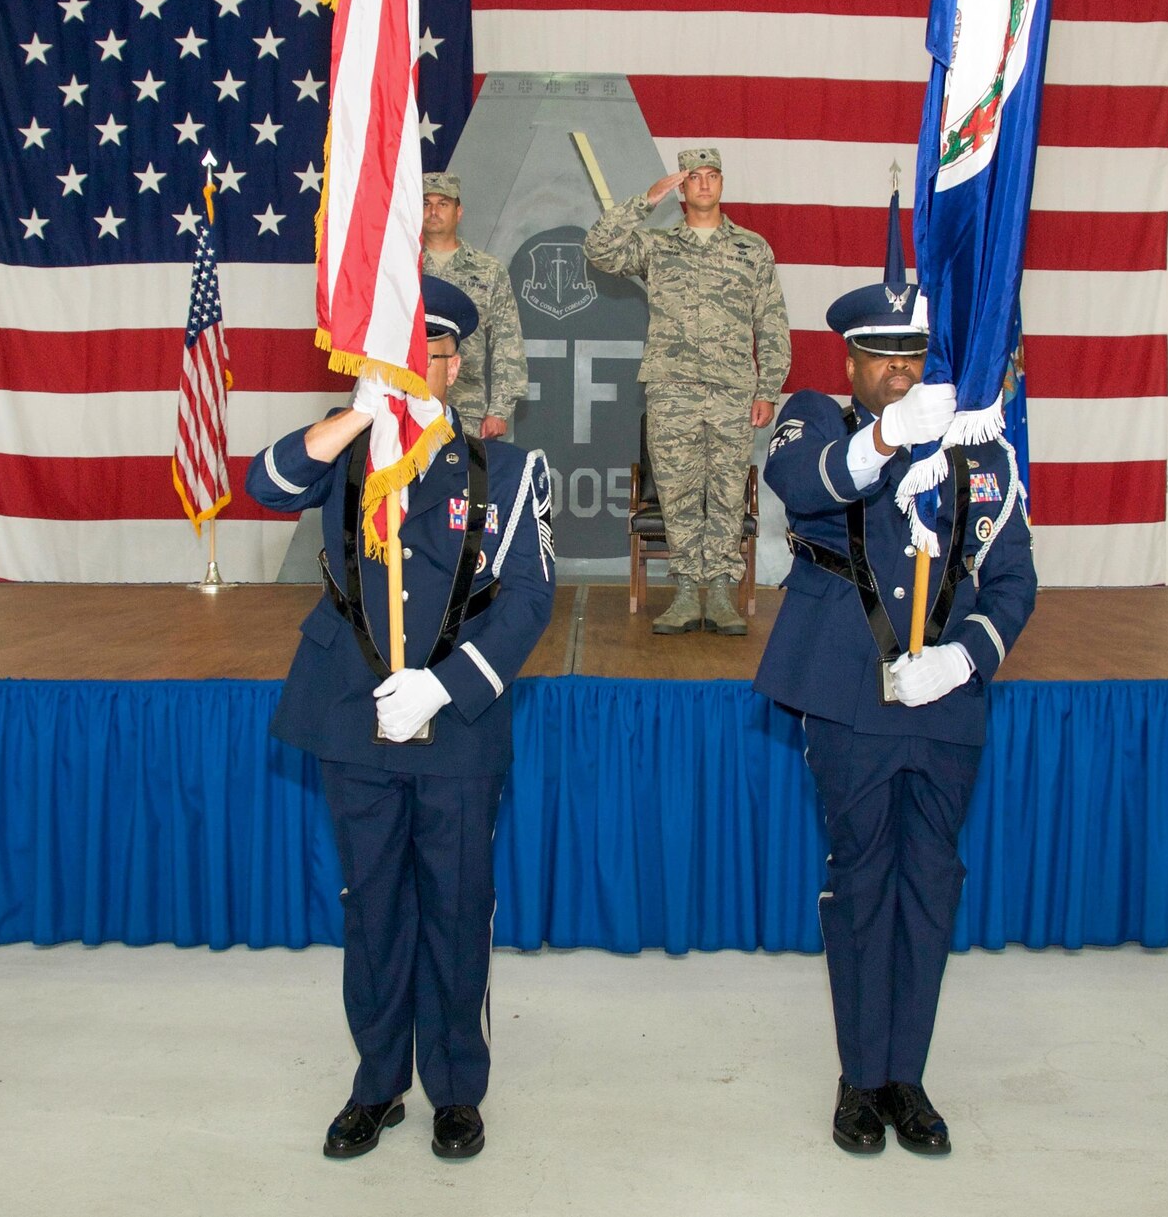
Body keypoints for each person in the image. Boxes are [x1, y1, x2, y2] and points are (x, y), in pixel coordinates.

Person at [246, 277, 555, 1161]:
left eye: (435, 356)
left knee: (458, 907)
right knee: (372, 904)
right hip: (352, 712)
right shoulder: (345, 455)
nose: (423, 370)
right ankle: (377, 1082)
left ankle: (456, 1088)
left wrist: (449, 684)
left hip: (455, 722)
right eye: (404, 357)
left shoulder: (509, 469)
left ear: (456, 367)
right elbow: (263, 485)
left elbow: (530, 599)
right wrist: (355, 414)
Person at [754, 254, 1036, 1156]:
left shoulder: (978, 441)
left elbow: (1015, 579)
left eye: (915, 353)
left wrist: (966, 657)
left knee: (931, 885)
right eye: (881, 355)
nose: (901, 372)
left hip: (946, 698)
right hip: (846, 687)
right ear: (849, 360)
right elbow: (803, 487)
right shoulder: (813, 418)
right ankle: (857, 1074)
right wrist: (884, 441)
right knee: (863, 881)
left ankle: (906, 1075)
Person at [584, 146, 790, 636]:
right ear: (681, 187)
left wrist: (769, 388)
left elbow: (773, 323)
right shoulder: (657, 246)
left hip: (732, 391)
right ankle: (682, 593)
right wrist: (645, 201)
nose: (703, 183)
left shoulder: (751, 249)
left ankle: (719, 592)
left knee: (724, 493)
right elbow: (598, 248)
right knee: (676, 492)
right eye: (693, 176)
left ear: (722, 183)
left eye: (711, 175)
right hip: (671, 390)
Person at [420, 172, 527, 439]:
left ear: (459, 211)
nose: (433, 211)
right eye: (425, 203)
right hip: (408, 400)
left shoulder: (488, 270)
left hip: (467, 408)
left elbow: (506, 342)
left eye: (443, 203)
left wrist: (500, 409)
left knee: (464, 478)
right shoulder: (398, 266)